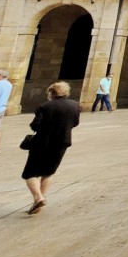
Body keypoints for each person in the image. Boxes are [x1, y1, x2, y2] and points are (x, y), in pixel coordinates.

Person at [22, 81, 81, 215]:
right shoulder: (75, 105)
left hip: (42, 142)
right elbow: (75, 123)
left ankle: (39, 197)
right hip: (62, 142)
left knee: (30, 173)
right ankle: (38, 202)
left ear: (51, 92)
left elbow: (35, 126)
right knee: (48, 172)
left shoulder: (45, 106)